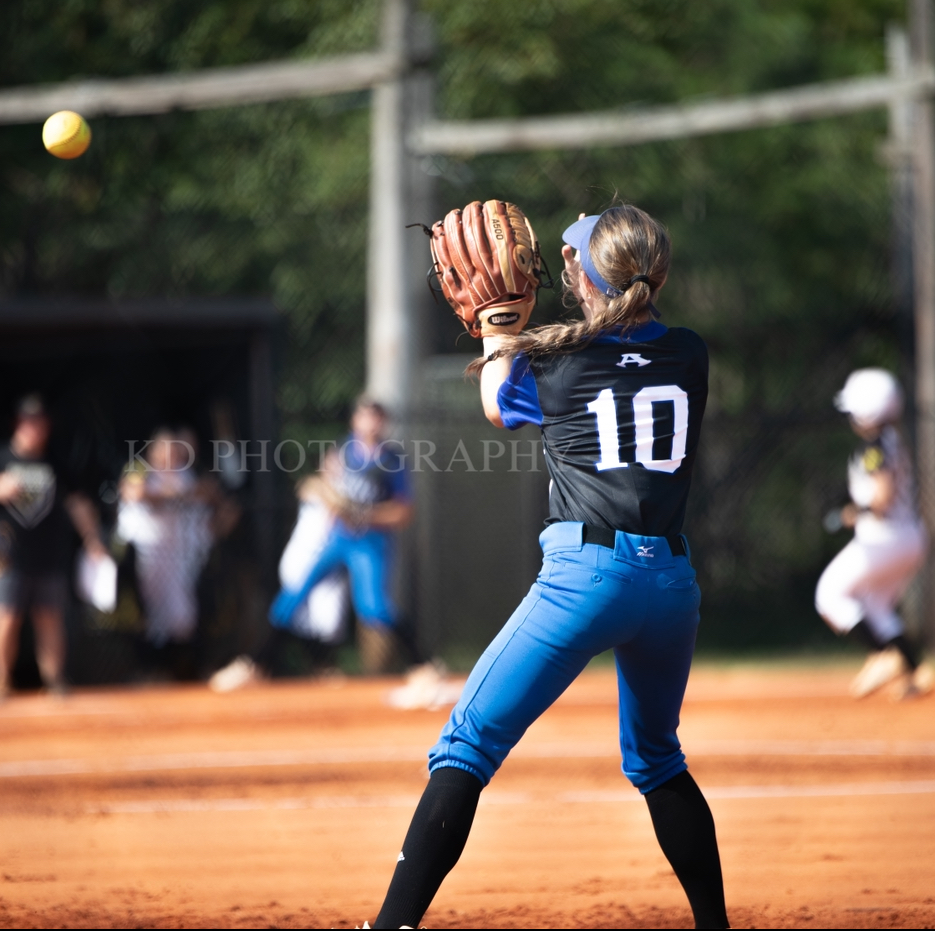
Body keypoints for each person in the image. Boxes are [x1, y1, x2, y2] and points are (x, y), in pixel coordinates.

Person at [367, 202, 727, 929]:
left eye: (569, 257)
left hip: (586, 578)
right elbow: (624, 347)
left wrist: (500, 319)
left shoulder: (559, 360)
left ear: (587, 275)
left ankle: (388, 927)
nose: (558, 263)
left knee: (466, 744)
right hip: (672, 586)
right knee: (657, 758)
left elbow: (499, 405)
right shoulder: (690, 351)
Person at [209, 399, 424, 692]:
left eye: (375, 418)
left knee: (373, 608)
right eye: (364, 417)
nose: (369, 424)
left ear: (383, 423)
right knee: (293, 596)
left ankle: (423, 666)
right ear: (355, 421)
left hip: (370, 542)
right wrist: (327, 495)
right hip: (339, 539)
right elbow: (323, 486)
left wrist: (361, 513)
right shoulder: (343, 450)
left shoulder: (391, 460)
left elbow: (403, 512)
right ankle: (255, 665)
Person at [0, 394, 105, 699]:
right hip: (6, 556)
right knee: (6, 615)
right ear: (18, 424)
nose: (34, 429)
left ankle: (55, 680)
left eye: (40, 423)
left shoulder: (55, 461)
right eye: (29, 422)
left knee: (49, 617)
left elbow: (78, 502)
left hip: (49, 555)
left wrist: (93, 541)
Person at [815, 368, 932, 699]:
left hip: (884, 538)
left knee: (829, 594)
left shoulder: (874, 448)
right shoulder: (893, 440)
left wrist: (854, 512)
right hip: (910, 537)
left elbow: (880, 496)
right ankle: (915, 671)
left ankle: (883, 656)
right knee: (878, 607)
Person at [116, 428, 237, 656]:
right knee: (149, 615)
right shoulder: (140, 469)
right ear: (154, 452)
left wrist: (182, 493)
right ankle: (153, 666)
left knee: (182, 618)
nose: (172, 456)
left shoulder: (185, 474)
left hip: (178, 555)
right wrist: (173, 495)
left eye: (175, 451)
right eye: (166, 451)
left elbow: (210, 492)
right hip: (143, 554)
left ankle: (175, 670)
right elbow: (134, 493)